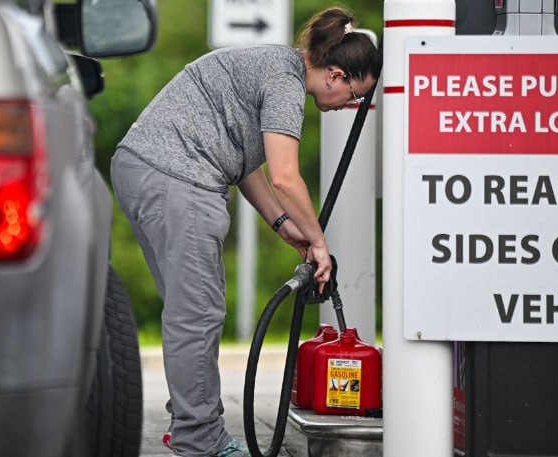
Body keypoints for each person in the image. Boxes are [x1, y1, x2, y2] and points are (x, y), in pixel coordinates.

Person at [110, 6, 379, 457]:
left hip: (144, 168)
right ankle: (200, 441)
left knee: (189, 312)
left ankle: (190, 425)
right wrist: (318, 242)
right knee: (197, 315)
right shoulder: (285, 82)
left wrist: (282, 225)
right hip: (178, 176)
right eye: (356, 94)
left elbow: (244, 163)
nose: (353, 105)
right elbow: (286, 178)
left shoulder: (275, 65)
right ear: (335, 74)